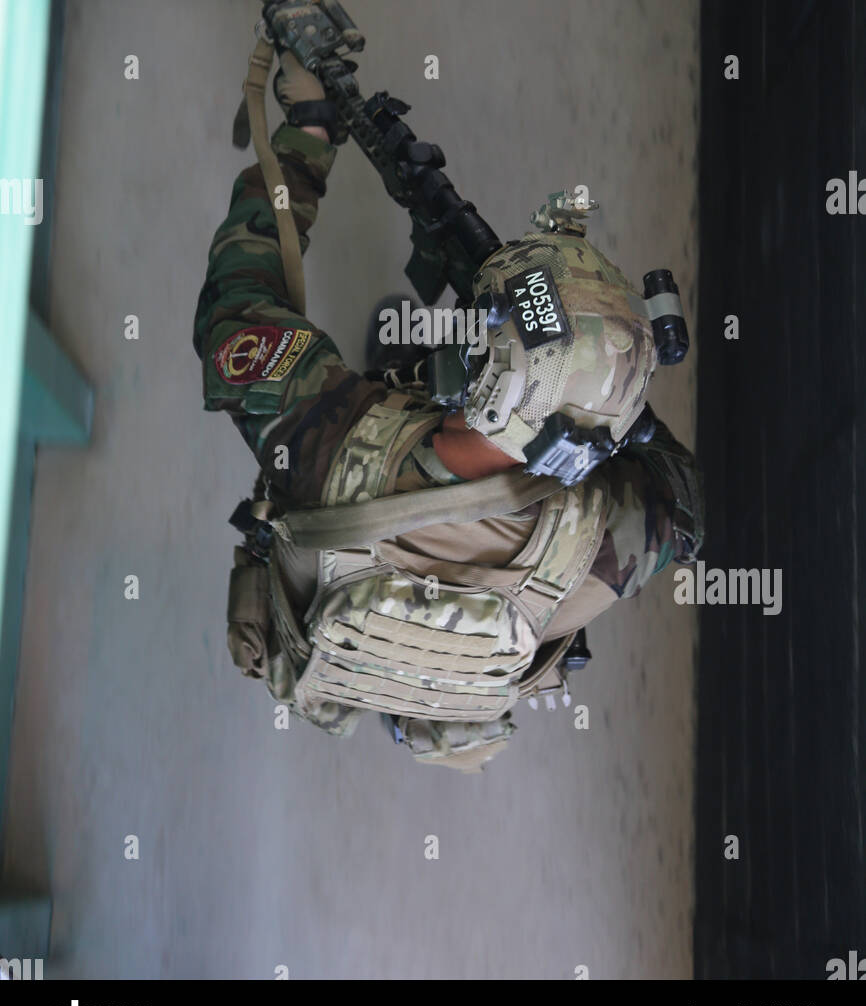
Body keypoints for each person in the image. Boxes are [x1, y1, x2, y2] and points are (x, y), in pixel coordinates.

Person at [193, 51, 703, 772]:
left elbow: (234, 301)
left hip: (315, 637)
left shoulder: (326, 438)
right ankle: (407, 702)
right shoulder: (606, 532)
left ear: (474, 366)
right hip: (445, 690)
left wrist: (309, 130)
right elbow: (687, 505)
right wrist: (617, 412)